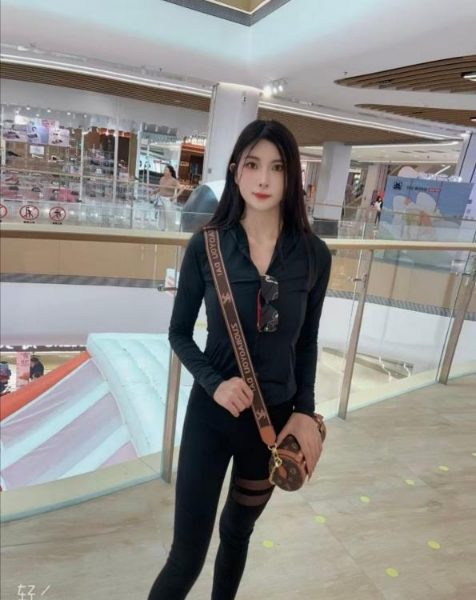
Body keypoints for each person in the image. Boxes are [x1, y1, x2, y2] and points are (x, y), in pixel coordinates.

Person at [147, 119, 332, 600]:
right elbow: (178, 333)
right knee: (186, 556)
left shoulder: (313, 255)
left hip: (271, 425)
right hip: (211, 419)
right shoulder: (206, 245)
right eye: (253, 165)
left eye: (277, 167)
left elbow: (307, 341)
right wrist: (215, 382)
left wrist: (306, 411)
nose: (264, 179)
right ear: (235, 171)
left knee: (237, 533)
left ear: (292, 177)